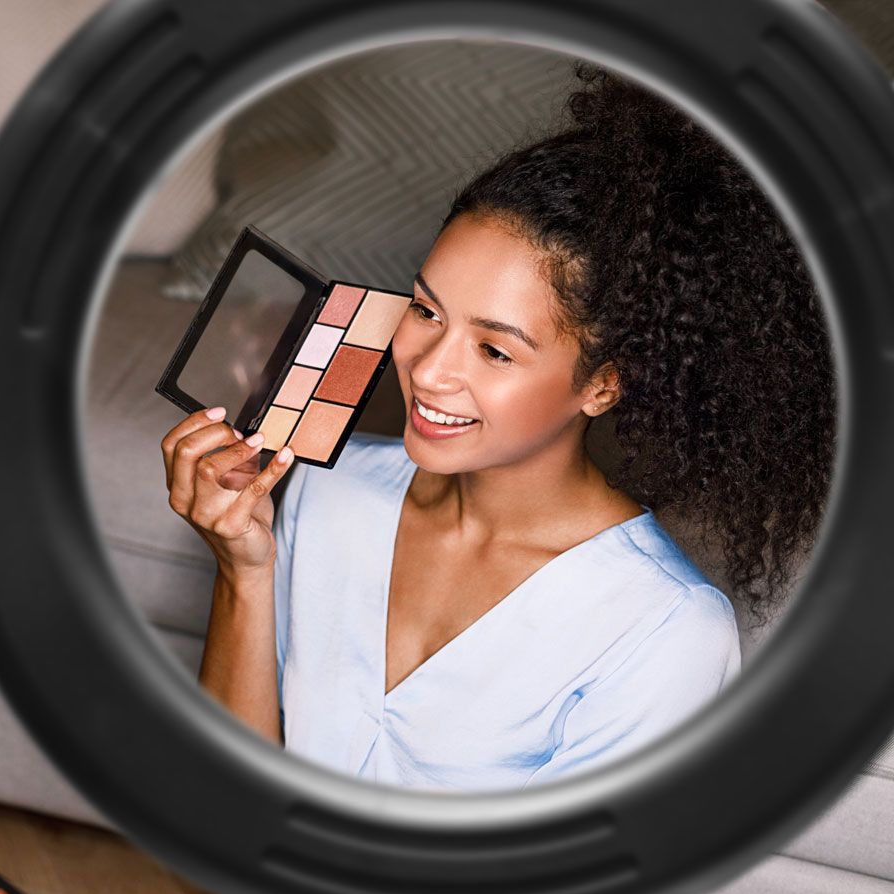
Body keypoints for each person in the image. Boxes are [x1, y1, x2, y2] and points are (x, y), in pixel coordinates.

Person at [160, 63, 835, 790]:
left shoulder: (661, 631)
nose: (427, 371)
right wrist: (244, 569)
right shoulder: (331, 488)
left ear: (605, 383)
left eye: (494, 349)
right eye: (425, 310)